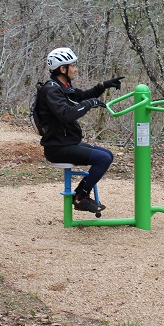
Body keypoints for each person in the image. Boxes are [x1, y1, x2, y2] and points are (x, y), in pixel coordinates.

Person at [34, 47, 124, 213]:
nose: (75, 69)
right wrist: (89, 104)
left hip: (67, 142)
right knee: (103, 159)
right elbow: (67, 114)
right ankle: (81, 197)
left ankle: (79, 194)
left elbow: (82, 96)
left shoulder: (62, 86)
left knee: (108, 155)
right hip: (57, 148)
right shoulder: (51, 90)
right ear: (63, 69)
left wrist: (103, 86)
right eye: (73, 66)